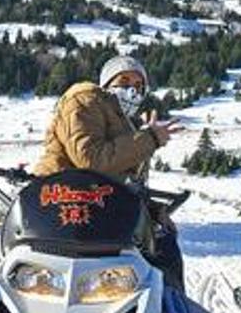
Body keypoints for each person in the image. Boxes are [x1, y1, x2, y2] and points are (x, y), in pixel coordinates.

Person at [33, 54, 186, 286]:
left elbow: (122, 182)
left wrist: (152, 210)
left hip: (97, 212)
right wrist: (150, 138)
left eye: (138, 86)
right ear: (106, 84)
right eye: (124, 81)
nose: (132, 90)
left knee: (164, 247)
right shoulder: (84, 99)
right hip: (58, 209)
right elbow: (91, 161)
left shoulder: (125, 124)